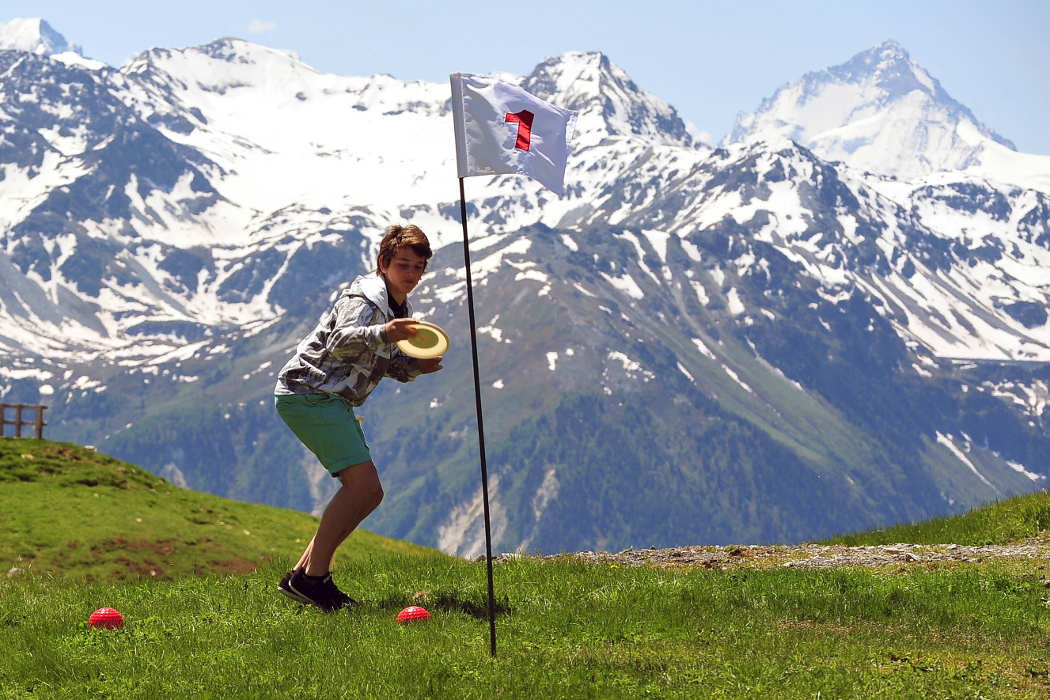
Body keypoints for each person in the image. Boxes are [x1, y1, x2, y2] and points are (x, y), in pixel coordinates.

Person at [273, 224, 442, 612]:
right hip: (310, 394)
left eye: (419, 267)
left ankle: (302, 577)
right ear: (383, 263)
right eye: (404, 265)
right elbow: (341, 341)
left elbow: (383, 361)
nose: (412, 275)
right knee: (363, 490)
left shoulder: (399, 308)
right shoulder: (366, 298)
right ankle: (313, 580)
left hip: (325, 399)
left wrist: (416, 366)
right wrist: (385, 331)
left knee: (368, 492)